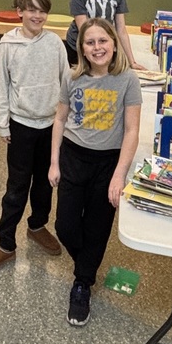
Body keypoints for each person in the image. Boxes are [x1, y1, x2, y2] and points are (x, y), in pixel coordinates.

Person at [48, 18, 142, 326]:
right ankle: (86, 265)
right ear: (82, 48)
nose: (97, 47)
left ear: (114, 44)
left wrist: (120, 174)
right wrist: (54, 161)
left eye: (103, 41)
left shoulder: (127, 79)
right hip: (74, 158)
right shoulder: (72, 77)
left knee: (97, 228)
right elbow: (60, 120)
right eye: (90, 43)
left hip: (108, 164)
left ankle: (82, 283)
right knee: (65, 227)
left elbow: (131, 131)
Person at [0, 0, 70, 273]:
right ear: (19, 12)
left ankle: (37, 225)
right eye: (31, 10)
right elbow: (2, 86)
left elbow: (66, 82)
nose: (37, 16)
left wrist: (68, 121)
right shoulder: (8, 43)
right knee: (17, 187)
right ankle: (5, 242)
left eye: (42, 10)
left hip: (51, 126)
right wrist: (2, 123)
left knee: (45, 183)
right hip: (20, 126)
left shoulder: (55, 42)